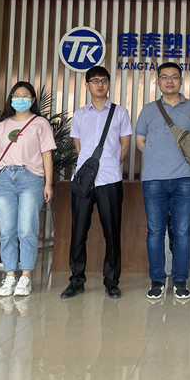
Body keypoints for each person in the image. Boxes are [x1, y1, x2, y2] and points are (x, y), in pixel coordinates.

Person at [135, 62, 190, 300]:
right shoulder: (148, 110)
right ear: (158, 81)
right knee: (155, 231)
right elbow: (140, 142)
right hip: (153, 179)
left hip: (186, 178)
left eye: (174, 77)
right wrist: (159, 159)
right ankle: (157, 280)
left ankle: (180, 280)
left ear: (181, 80)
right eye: (164, 77)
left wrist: (184, 158)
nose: (169, 81)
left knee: (183, 231)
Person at [61, 66, 132, 300]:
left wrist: (109, 164)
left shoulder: (120, 113)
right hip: (84, 181)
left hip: (110, 179)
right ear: (87, 85)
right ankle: (76, 280)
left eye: (104, 80)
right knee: (78, 231)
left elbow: (124, 147)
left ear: (109, 84)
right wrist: (90, 170)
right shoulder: (80, 114)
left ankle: (111, 281)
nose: (99, 85)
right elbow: (78, 147)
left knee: (112, 232)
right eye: (95, 81)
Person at [0, 81, 56, 298]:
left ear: (33, 100)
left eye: (25, 96)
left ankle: (26, 276)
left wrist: (48, 183)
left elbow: (46, 155)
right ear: (11, 99)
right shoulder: (2, 125)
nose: (20, 99)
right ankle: (9, 276)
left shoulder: (40, 123)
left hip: (31, 178)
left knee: (26, 229)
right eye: (16, 95)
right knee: (7, 231)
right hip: (4, 178)